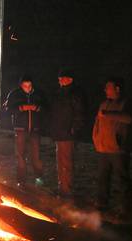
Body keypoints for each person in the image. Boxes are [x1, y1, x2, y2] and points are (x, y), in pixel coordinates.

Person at [92, 78, 132, 221]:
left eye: (108, 87)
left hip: (118, 149)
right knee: (102, 178)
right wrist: (96, 139)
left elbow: (129, 119)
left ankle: (126, 209)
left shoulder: (126, 103)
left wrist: (109, 115)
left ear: (117, 88)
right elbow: (97, 122)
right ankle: (101, 204)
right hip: (103, 148)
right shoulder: (104, 104)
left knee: (122, 180)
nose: (105, 90)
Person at [4, 75, 46, 187]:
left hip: (35, 130)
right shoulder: (14, 94)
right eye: (25, 86)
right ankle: (21, 180)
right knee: (20, 156)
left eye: (29, 85)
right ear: (21, 85)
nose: (27, 88)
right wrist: (21, 108)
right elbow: (8, 109)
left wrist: (36, 108)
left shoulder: (38, 94)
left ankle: (39, 177)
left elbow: (46, 108)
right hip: (20, 129)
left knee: (36, 156)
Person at [49, 69, 85, 198]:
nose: (60, 80)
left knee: (66, 162)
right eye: (59, 79)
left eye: (62, 78)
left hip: (67, 133)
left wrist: (74, 129)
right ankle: (62, 187)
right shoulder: (60, 93)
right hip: (60, 132)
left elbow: (79, 113)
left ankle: (67, 189)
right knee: (60, 162)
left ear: (70, 79)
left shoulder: (74, 94)